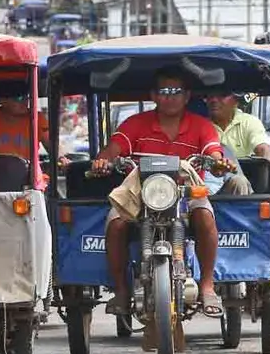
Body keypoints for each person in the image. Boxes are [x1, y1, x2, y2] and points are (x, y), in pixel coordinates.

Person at [92, 66, 234, 318]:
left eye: (176, 91)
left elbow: (213, 152)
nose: (170, 97)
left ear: (187, 95)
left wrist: (217, 161)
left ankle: (208, 286)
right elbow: (113, 150)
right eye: (164, 91)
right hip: (140, 193)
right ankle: (121, 291)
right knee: (115, 224)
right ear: (154, 96)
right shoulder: (135, 124)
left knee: (205, 216)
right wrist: (103, 161)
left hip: (187, 193)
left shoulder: (201, 126)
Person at [206, 89, 270, 195]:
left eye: (222, 95)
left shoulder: (249, 122)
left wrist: (267, 178)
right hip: (208, 185)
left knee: (239, 182)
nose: (213, 100)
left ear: (236, 101)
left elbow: (263, 149)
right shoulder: (200, 125)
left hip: (240, 187)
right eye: (209, 96)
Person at [0, 93, 50, 161]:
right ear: (2, 100)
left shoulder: (37, 118)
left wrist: (61, 158)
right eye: (19, 98)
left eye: (26, 97)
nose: (25, 101)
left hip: (29, 170)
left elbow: (52, 145)